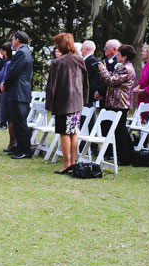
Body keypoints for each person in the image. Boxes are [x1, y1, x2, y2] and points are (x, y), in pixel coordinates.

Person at [45, 33, 88, 173]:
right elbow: (85, 83)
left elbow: (51, 85)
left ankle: (67, 164)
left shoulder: (58, 62)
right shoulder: (79, 60)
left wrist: (49, 105)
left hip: (63, 102)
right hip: (77, 102)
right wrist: (84, 99)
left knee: (64, 133)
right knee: (74, 132)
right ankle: (73, 162)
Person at [98, 44, 136, 165]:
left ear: (124, 57)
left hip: (119, 103)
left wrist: (103, 69)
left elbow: (111, 81)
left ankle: (125, 157)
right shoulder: (124, 67)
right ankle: (128, 155)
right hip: (117, 102)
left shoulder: (126, 68)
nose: (116, 56)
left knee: (120, 130)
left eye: (119, 54)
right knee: (120, 130)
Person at [1, 31, 33, 159]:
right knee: (17, 121)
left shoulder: (21, 52)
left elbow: (14, 72)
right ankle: (19, 147)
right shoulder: (24, 51)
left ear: (18, 40)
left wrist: (5, 85)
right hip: (19, 91)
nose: (12, 42)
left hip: (19, 92)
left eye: (13, 39)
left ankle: (25, 150)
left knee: (20, 122)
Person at [0, 42, 15, 152]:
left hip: (7, 93)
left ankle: (12, 142)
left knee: (10, 119)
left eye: (3, 52)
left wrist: (0, 87)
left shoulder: (9, 64)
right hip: (5, 92)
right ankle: (12, 142)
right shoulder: (8, 63)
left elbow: (4, 78)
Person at [95, 39, 120, 108]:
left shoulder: (118, 62)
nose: (104, 49)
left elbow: (111, 79)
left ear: (114, 49)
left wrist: (100, 92)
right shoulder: (106, 60)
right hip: (104, 97)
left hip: (111, 97)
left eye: (106, 48)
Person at [81, 40, 102, 108]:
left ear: (87, 49)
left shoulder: (91, 61)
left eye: (82, 48)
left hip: (87, 93)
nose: (81, 50)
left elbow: (87, 77)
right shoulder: (88, 60)